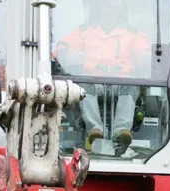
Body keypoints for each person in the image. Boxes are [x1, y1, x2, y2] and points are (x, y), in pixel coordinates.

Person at [53, 0, 149, 149]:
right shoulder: (84, 31)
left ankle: (121, 130)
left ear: (121, 10)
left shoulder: (133, 34)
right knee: (83, 86)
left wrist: (145, 57)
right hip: (93, 82)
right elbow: (62, 47)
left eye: (115, 7)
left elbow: (146, 55)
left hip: (122, 82)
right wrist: (66, 53)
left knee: (131, 85)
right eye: (107, 6)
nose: (111, 11)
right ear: (99, 7)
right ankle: (95, 129)